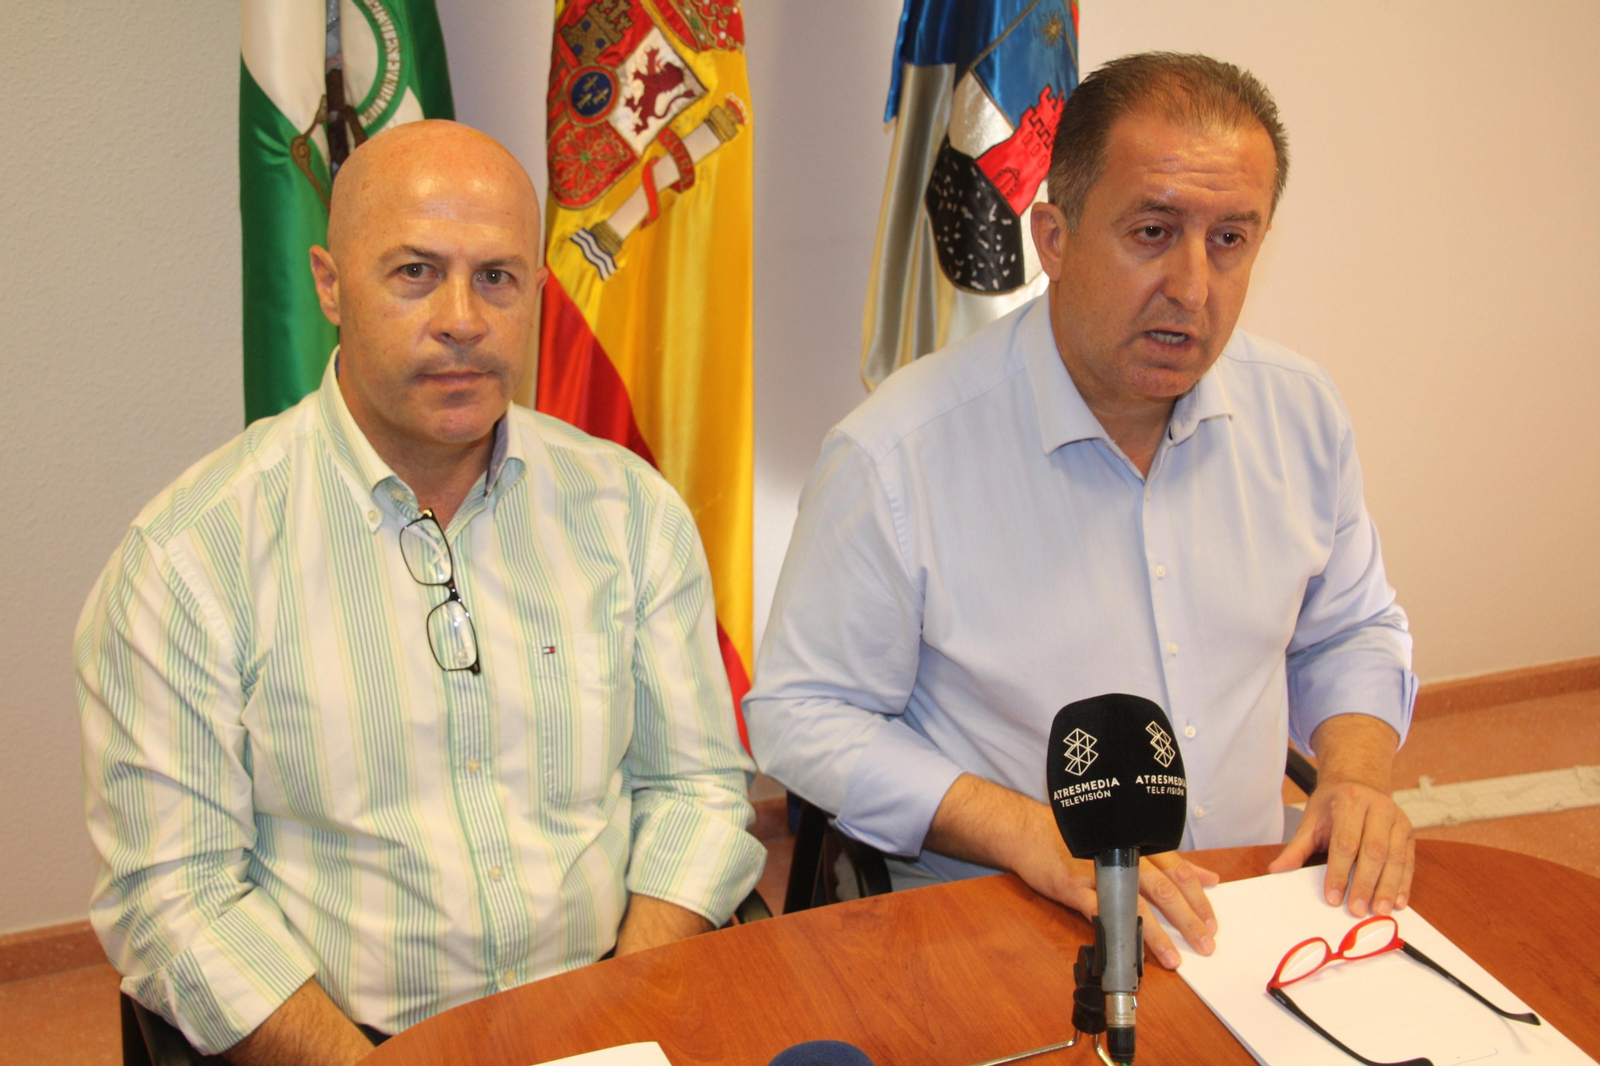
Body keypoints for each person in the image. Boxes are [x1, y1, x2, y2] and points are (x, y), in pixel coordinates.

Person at [75, 121, 763, 1064]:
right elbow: (177, 896)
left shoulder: (629, 510)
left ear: (536, 292)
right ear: (328, 284)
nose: (462, 319)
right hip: (341, 1040)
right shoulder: (192, 557)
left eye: (496, 277)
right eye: (413, 272)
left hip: (610, 1008)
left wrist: (623, 1018)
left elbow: (694, 791)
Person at [745, 52, 1416, 971]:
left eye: (1231, 240)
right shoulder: (897, 455)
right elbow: (803, 713)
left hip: (1251, 918)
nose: (1193, 287)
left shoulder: (1300, 412)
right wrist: (1022, 830)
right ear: (1053, 239)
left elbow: (1350, 630)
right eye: (1152, 231)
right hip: (1007, 921)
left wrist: (1356, 773)